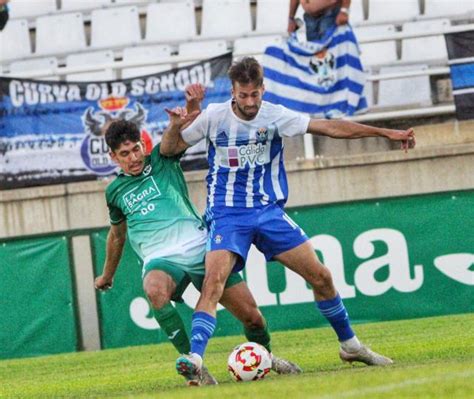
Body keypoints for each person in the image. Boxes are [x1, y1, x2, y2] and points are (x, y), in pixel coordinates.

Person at [160, 57, 416, 382]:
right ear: (233, 93)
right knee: (212, 284)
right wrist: (177, 123)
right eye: (244, 95)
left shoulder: (275, 115)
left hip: (268, 213)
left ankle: (350, 345)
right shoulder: (213, 117)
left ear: (262, 89)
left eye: (255, 94)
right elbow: (169, 150)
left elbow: (329, 126)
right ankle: (195, 358)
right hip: (228, 215)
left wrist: (384, 133)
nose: (251, 102)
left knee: (321, 276)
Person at [95, 115, 301, 386]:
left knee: (253, 318)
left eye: (136, 149)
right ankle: (193, 365)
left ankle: (266, 357)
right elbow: (117, 236)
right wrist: (107, 275)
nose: (133, 157)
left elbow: (172, 139)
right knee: (154, 290)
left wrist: (179, 119)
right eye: (125, 154)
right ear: (113, 156)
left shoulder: (161, 160)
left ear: (143, 145)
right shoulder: (115, 192)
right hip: (161, 258)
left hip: (201, 247)